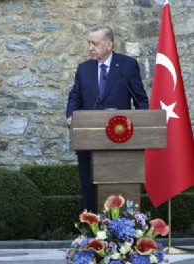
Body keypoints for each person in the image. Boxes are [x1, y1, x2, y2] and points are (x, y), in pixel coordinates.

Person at [66, 26, 149, 212]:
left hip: (121, 145)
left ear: (109, 45)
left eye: (95, 43)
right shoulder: (84, 69)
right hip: (89, 143)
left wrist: (143, 126)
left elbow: (140, 100)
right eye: (89, 43)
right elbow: (75, 97)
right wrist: (71, 115)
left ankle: (122, 230)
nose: (90, 47)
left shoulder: (127, 66)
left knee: (120, 192)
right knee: (89, 191)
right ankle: (92, 230)